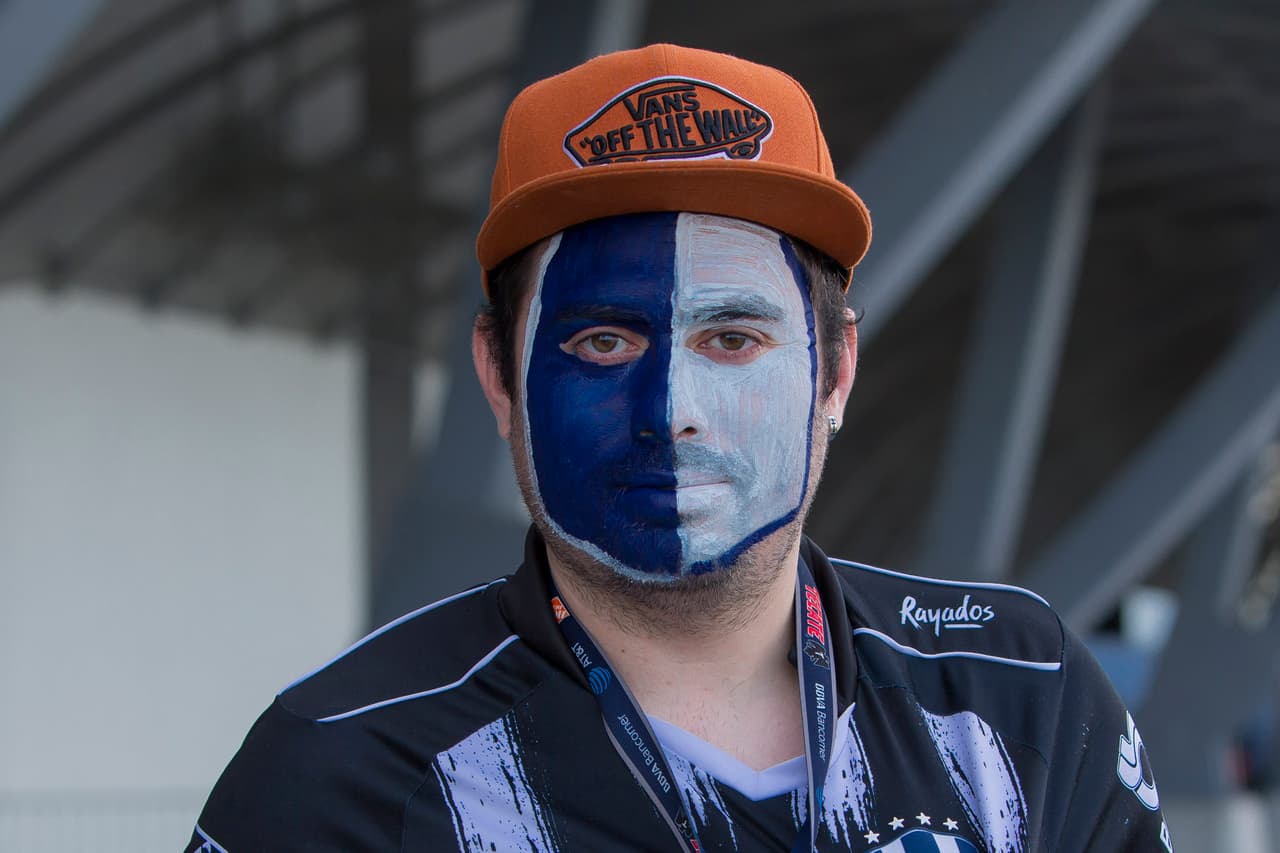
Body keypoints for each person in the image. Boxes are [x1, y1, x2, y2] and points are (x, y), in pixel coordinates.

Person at [187, 44, 1174, 852]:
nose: (672, 410)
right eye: (601, 342)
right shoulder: (341, 772)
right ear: (498, 375)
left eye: (732, 338)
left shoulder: (1019, 695)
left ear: (834, 372)